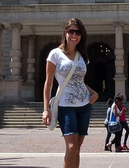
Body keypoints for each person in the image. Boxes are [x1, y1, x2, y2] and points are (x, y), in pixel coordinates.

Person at [42, 18, 98, 168]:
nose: (74, 35)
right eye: (71, 31)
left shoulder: (82, 57)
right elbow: (49, 83)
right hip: (65, 106)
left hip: (84, 106)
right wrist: (46, 109)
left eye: (77, 32)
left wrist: (94, 94)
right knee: (71, 147)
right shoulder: (55, 54)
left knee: (77, 149)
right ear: (65, 33)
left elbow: (79, 82)